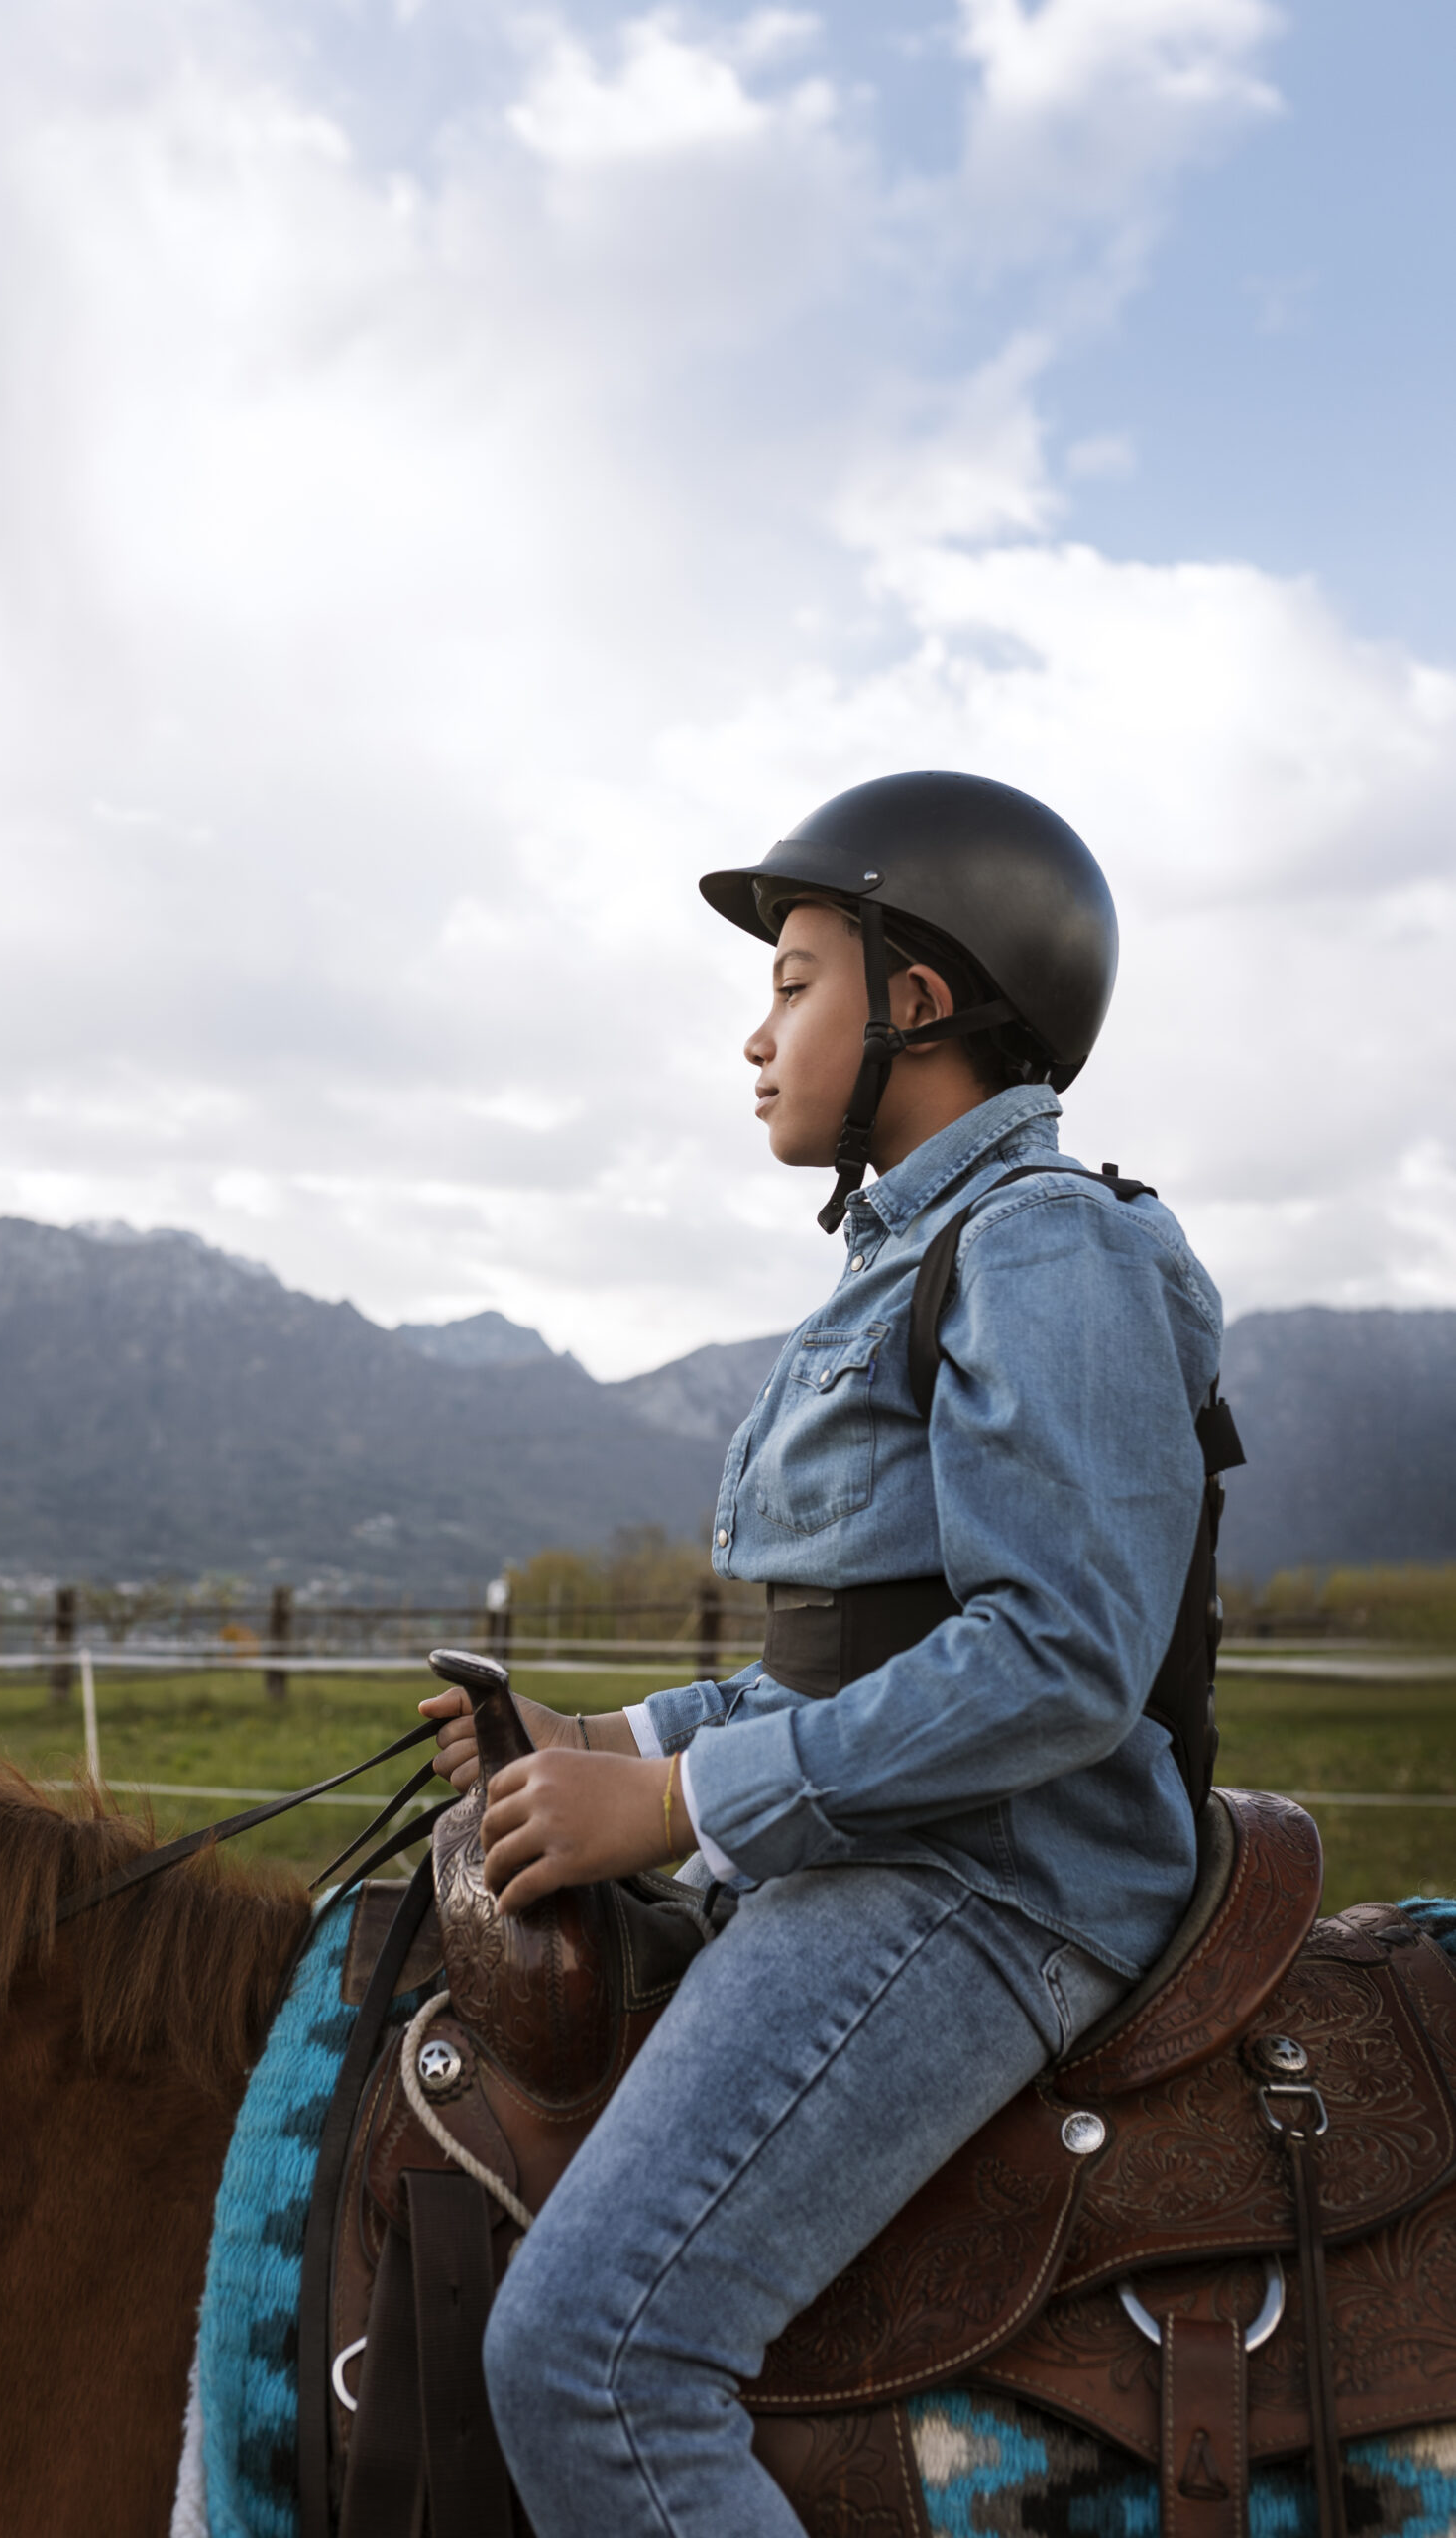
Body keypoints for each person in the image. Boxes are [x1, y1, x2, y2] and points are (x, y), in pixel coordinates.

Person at [420, 770, 1223, 2538]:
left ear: (917, 1000)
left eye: (794, 978)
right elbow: (857, 1656)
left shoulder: (1048, 1250)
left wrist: (683, 1802)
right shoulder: (913, 1256)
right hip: (904, 1838)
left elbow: (1056, 1659)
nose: (755, 1032)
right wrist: (615, 1733)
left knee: (589, 2351)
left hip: (995, 1883)